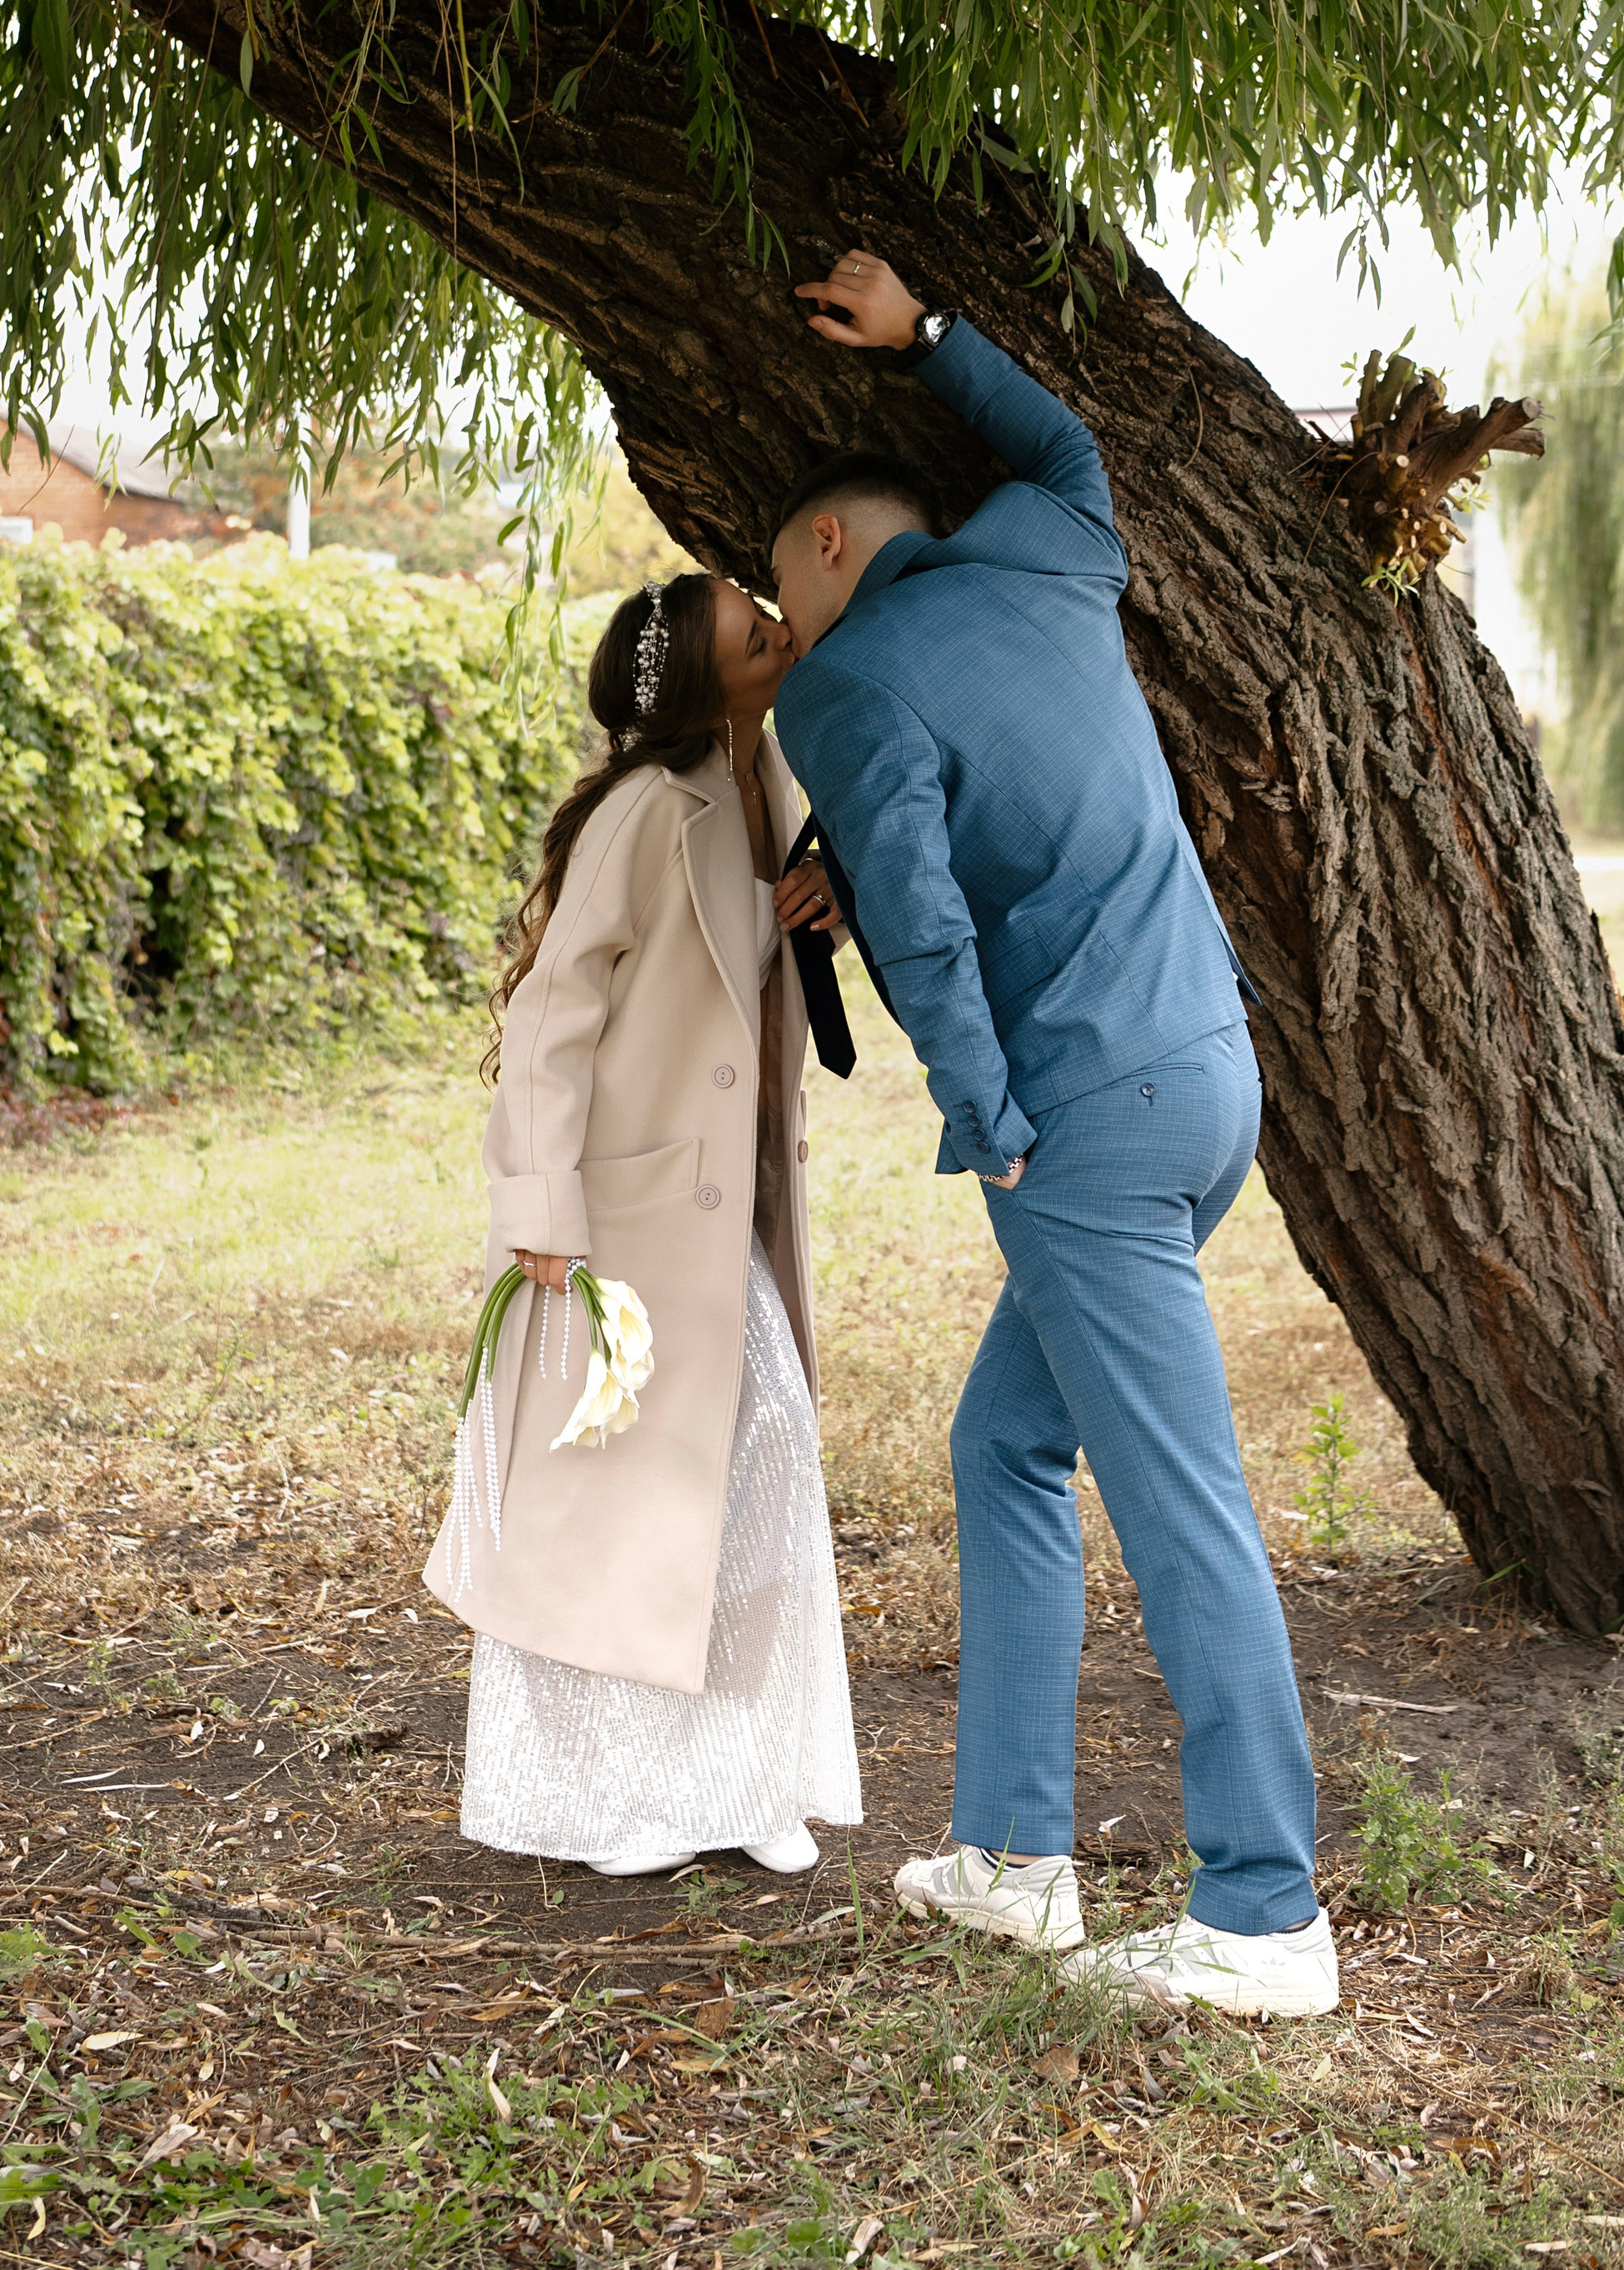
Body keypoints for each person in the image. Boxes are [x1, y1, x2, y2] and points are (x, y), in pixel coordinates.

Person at [769, 251, 1335, 2019]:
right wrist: (925, 334)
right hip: (1206, 1077)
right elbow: (1066, 440)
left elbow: (927, 925)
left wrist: (987, 1117)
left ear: (833, 548)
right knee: (1004, 1441)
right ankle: (1012, 1859)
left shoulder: (838, 688)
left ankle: (1265, 1915)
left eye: (782, 589)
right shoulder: (1055, 548)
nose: (781, 624)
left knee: (1179, 1498)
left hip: (1081, 1121)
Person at [424, 570, 862, 1880]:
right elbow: (550, 1016)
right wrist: (540, 1205)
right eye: (752, 632)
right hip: (624, 1215)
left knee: (755, 1463)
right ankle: (612, 1803)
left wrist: (821, 906)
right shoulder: (643, 811)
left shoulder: (769, 781)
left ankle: (743, 1778)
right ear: (706, 683)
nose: (777, 629)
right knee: (623, 1504)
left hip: (726, 1203)